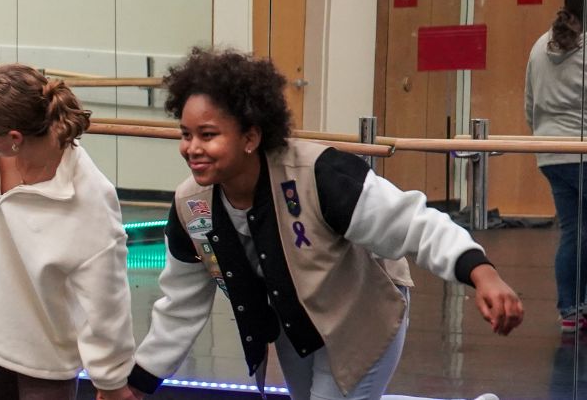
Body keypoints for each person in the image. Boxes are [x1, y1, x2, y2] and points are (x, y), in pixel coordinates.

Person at [131, 48, 524, 399]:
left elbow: (412, 223)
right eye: (185, 134)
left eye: (208, 135)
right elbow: (180, 306)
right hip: (297, 323)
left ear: (250, 136)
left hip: (362, 315)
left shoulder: (317, 173)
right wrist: (138, 382)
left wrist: (481, 271)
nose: (192, 148)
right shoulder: (190, 207)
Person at [0, 64, 134, 400]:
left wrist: (110, 380)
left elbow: (106, 301)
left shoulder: (89, 197)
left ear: (14, 139)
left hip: (44, 360)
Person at [527, 0, 587, 333]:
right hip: (581, 152)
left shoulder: (539, 45)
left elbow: (529, 102)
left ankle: (571, 310)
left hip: (550, 153)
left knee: (574, 231)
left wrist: (544, 138)